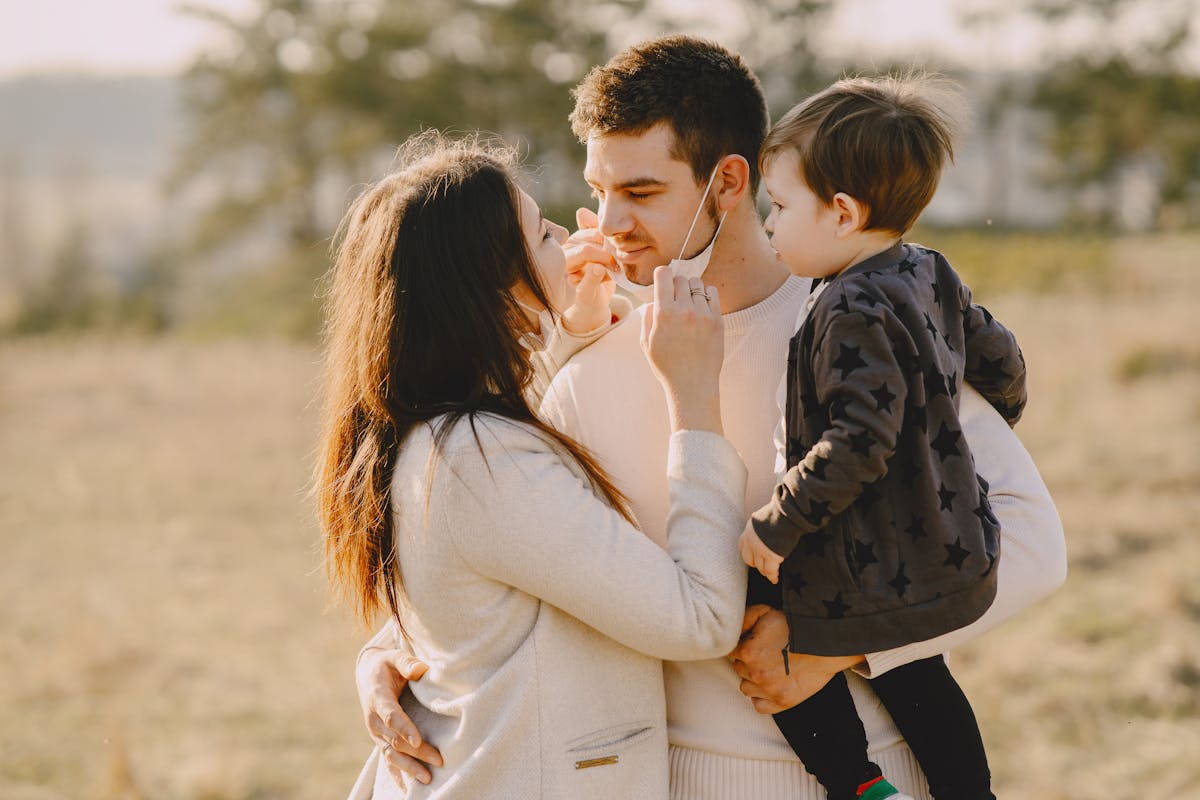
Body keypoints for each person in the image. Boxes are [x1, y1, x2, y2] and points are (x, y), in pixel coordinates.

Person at [354, 37, 1067, 800]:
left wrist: (838, 646)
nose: (609, 220)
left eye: (642, 191)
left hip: (872, 775)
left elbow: (1030, 542)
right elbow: (527, 548)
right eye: (600, 189)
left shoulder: (864, 325)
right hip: (662, 779)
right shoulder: (589, 362)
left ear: (728, 182)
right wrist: (395, 651)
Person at [317, 131, 756, 799]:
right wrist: (695, 402)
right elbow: (699, 620)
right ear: (493, 289)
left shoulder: (424, 431)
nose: (581, 238)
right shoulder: (481, 463)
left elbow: (502, 558)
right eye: (547, 235)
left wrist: (568, 326)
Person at [735, 75, 1028, 800]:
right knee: (918, 668)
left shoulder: (847, 306)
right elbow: (1004, 363)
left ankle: (854, 783)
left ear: (841, 212)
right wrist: (962, 437)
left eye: (778, 207)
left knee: (758, 599)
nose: (768, 225)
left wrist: (778, 523)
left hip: (871, 551)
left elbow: (860, 440)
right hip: (948, 547)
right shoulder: (930, 270)